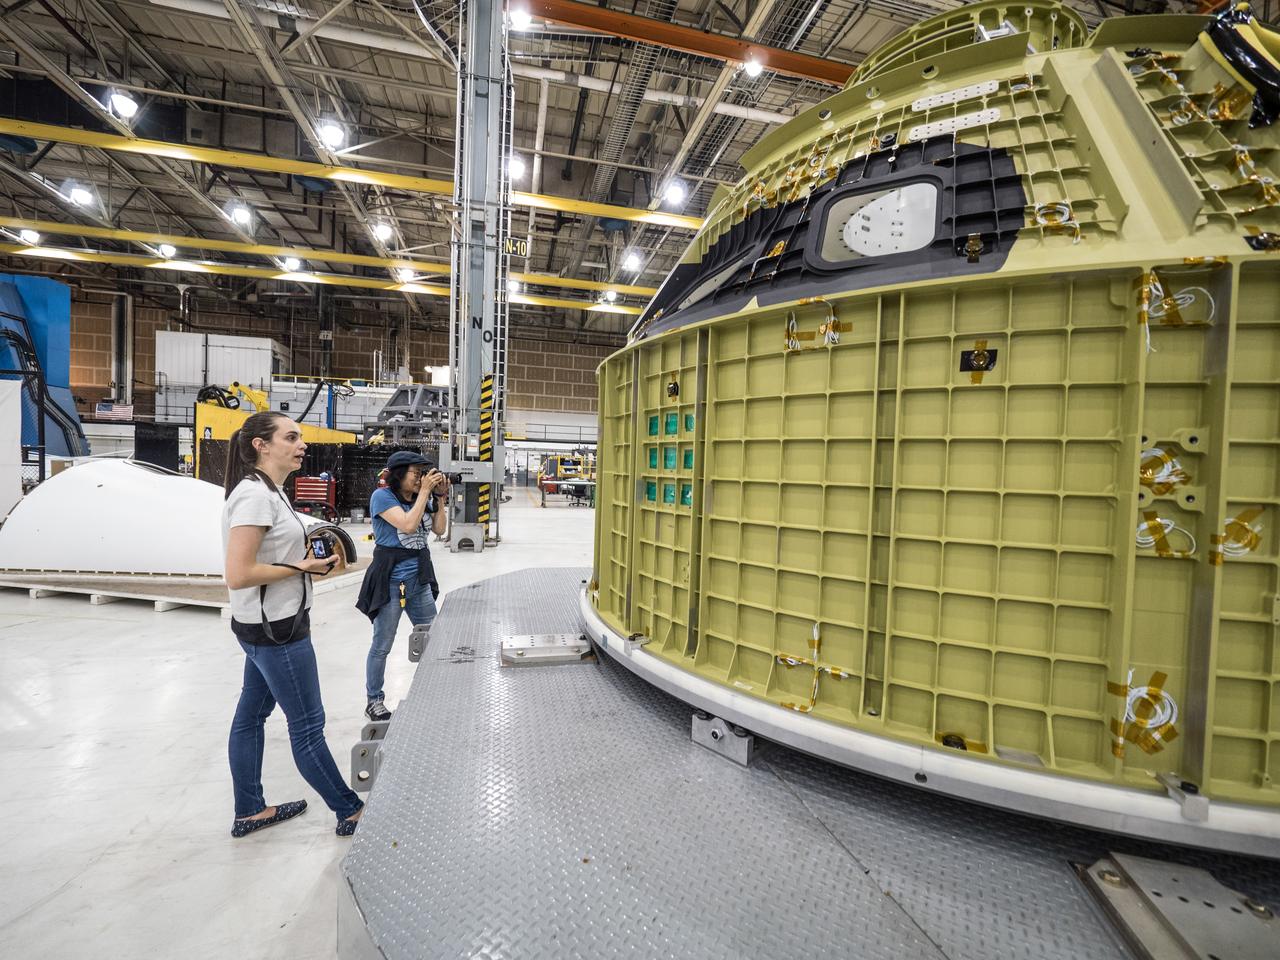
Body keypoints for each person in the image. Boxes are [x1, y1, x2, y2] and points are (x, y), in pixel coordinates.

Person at [222, 411, 365, 838]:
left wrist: (307, 566)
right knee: (307, 727)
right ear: (261, 445)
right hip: (278, 632)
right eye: (291, 437)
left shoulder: (270, 491)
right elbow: (239, 573)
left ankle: (250, 809)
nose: (302, 444)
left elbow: (268, 559)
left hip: (261, 627)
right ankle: (350, 810)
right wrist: (300, 566)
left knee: (250, 717)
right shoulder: (255, 497)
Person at [356, 451, 448, 721]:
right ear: (398, 475)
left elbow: (440, 530)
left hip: (418, 579)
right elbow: (408, 526)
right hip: (391, 581)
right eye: (416, 474)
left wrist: (440, 498)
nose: (422, 479)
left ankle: (432, 691)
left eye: (424, 474)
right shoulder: (382, 497)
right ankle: (374, 700)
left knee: (433, 637)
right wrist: (425, 494)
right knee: (382, 643)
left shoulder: (424, 498)